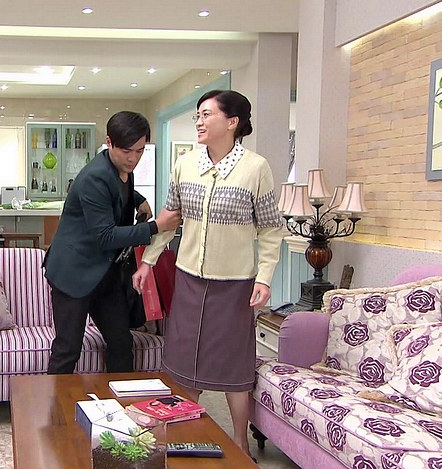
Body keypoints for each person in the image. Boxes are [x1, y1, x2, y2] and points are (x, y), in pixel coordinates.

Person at [133, 90, 283, 459]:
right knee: (185, 362)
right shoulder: (185, 165)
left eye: (206, 115)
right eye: (197, 116)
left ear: (232, 122)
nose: (199, 122)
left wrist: (264, 277)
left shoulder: (256, 168)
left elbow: (270, 229)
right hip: (188, 279)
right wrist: (148, 261)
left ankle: (239, 443)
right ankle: (186, 435)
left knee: (234, 363)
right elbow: (169, 219)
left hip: (234, 284)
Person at [44, 111, 182, 374]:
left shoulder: (121, 169)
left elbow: (117, 192)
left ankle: (118, 397)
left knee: (121, 341)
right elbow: (106, 236)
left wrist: (138, 198)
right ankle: (54, 402)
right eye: (126, 151)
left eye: (140, 151)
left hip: (104, 273)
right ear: (109, 142)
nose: (133, 158)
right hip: (73, 273)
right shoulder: (94, 177)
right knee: (68, 348)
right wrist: (156, 226)